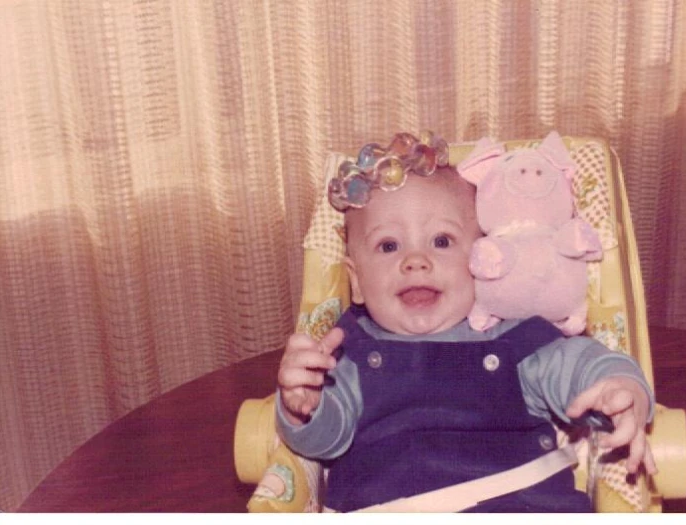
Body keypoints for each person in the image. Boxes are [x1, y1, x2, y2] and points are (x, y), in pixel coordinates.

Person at [275, 132, 656, 513]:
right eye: (389, 246)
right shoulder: (346, 352)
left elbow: (579, 363)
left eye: (442, 241)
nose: (416, 261)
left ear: (478, 258)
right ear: (356, 282)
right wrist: (303, 408)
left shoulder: (510, 338)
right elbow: (325, 441)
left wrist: (617, 388)